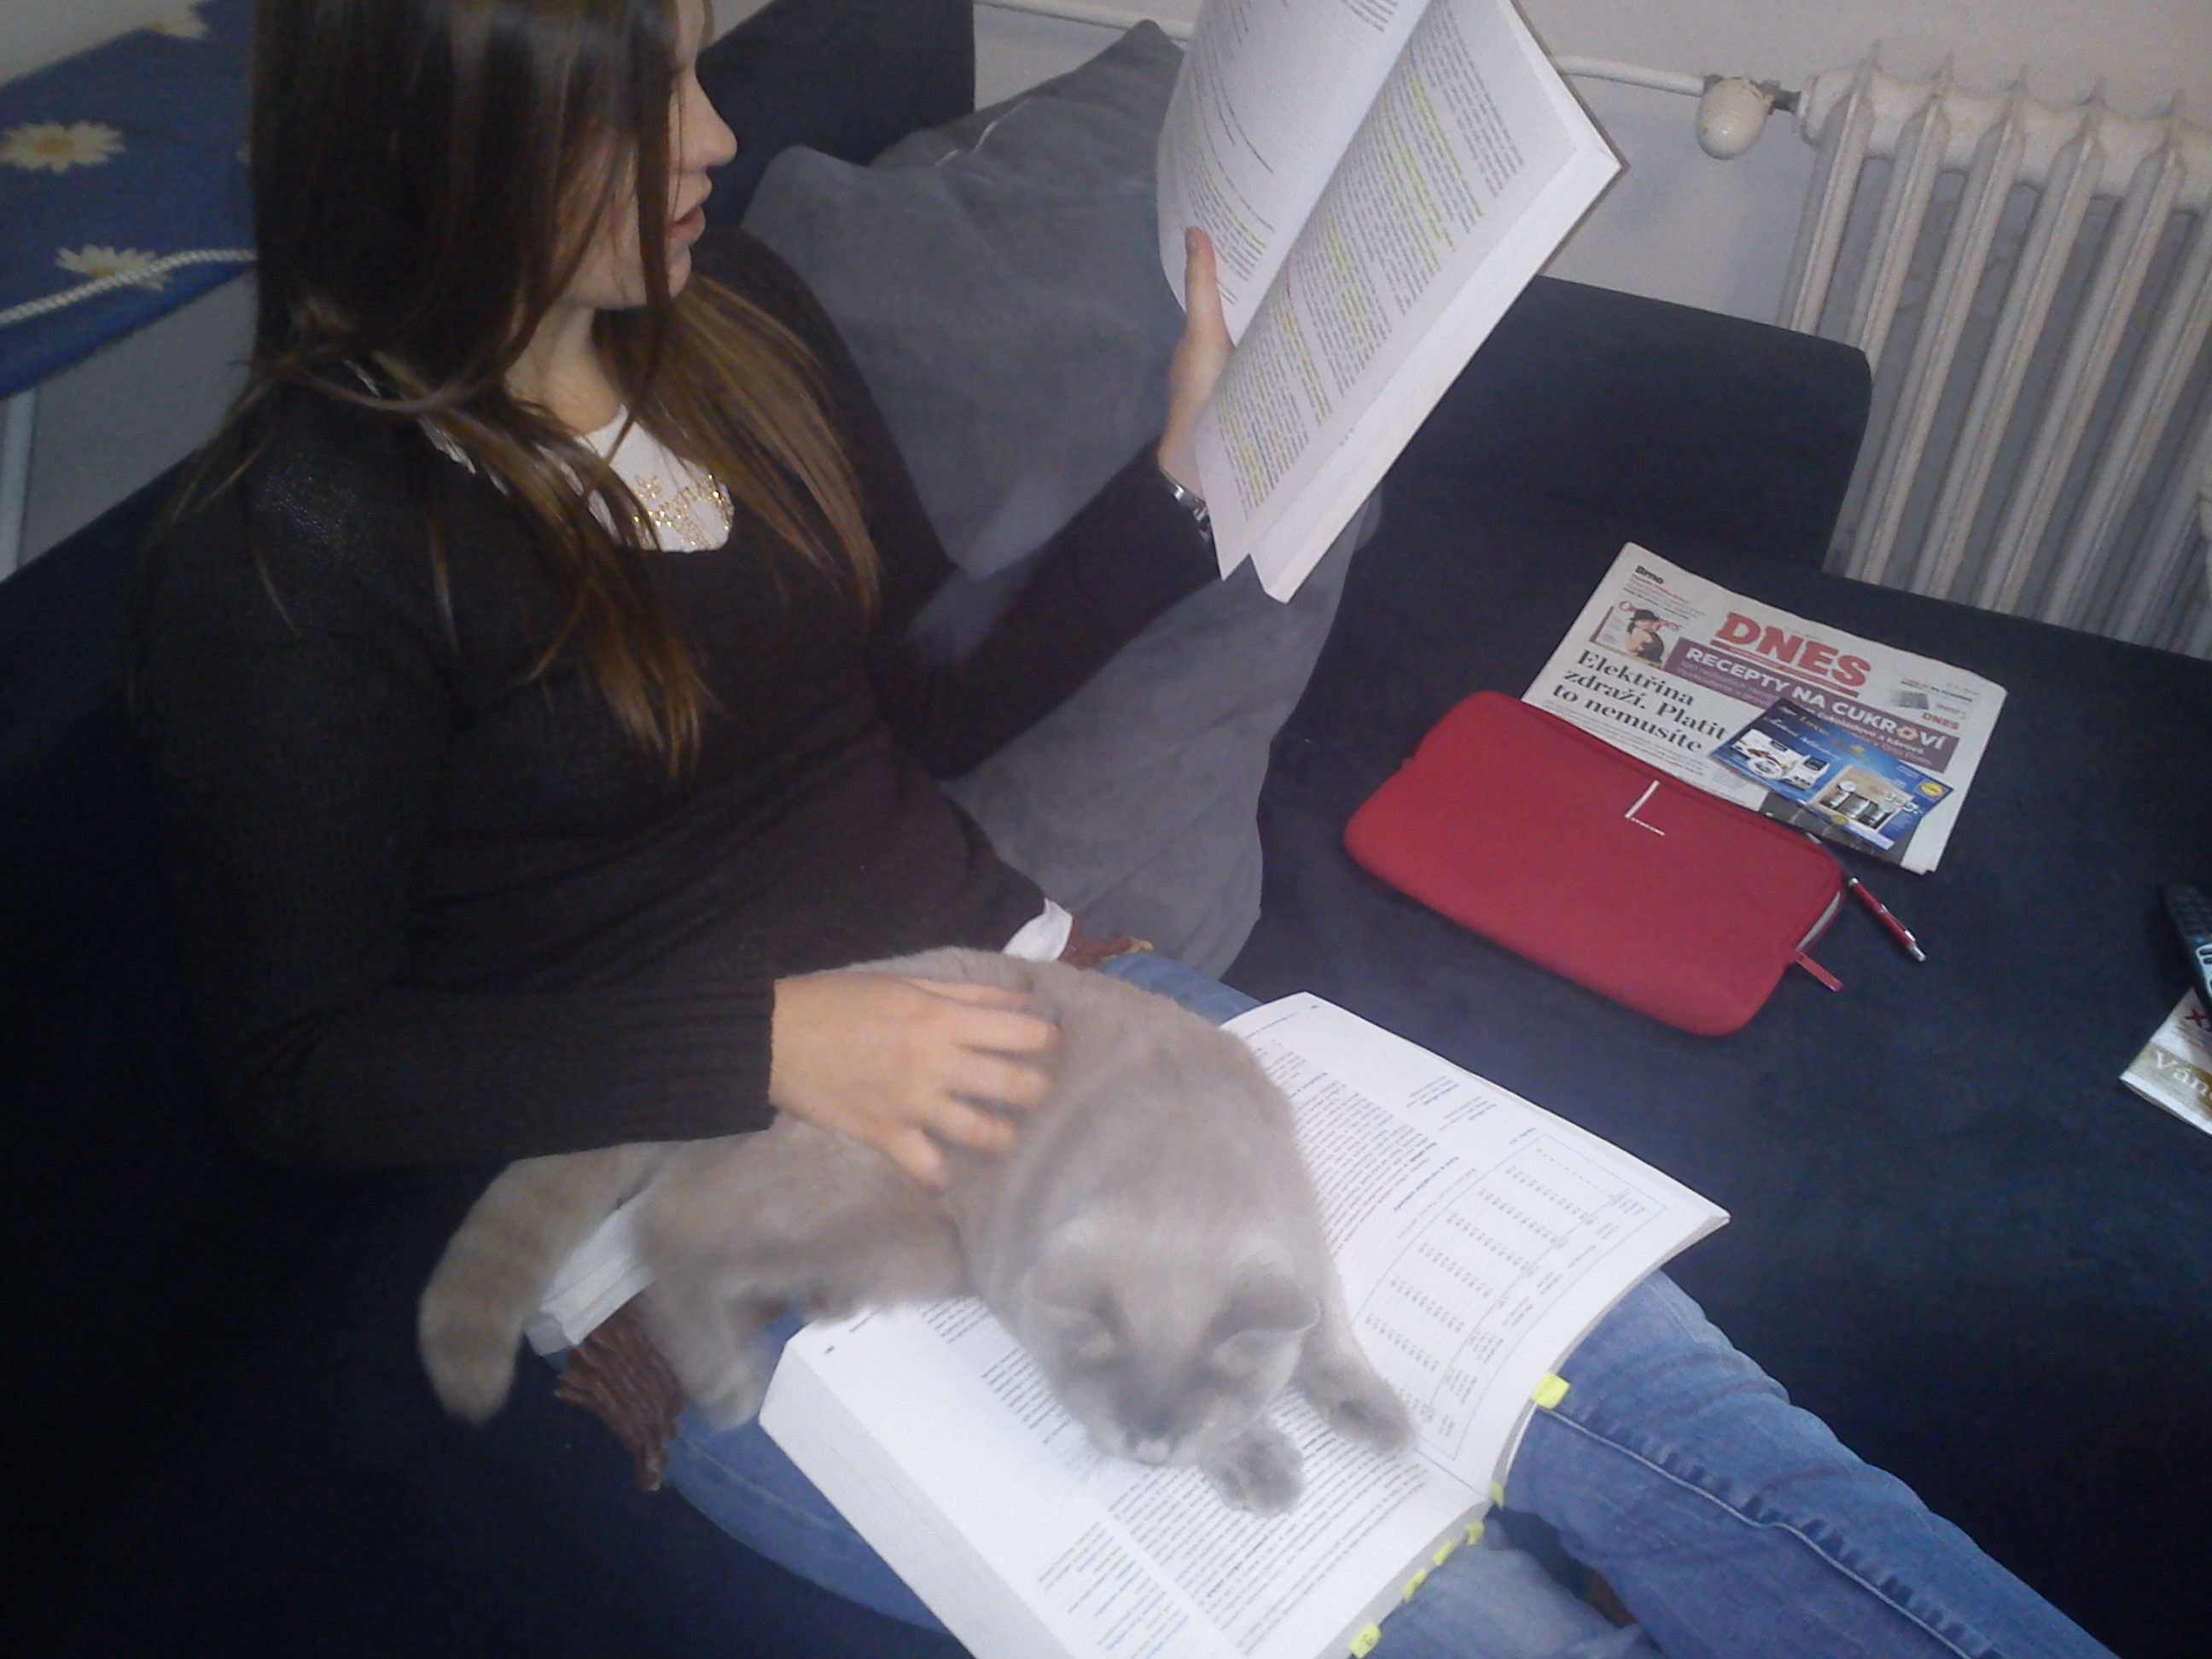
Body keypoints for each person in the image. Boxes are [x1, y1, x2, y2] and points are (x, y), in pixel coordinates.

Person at [135, 3, 2114, 1656]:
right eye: (635, 100)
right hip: (708, 1190)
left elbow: (910, 697)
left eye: (692, 67)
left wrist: (1181, 483)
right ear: (442, 138)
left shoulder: (724, 322)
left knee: (1684, 1419)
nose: (715, 134)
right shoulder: (292, 544)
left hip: (1052, 1014)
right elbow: (302, 1069)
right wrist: (784, 1039)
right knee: (1460, 1615)